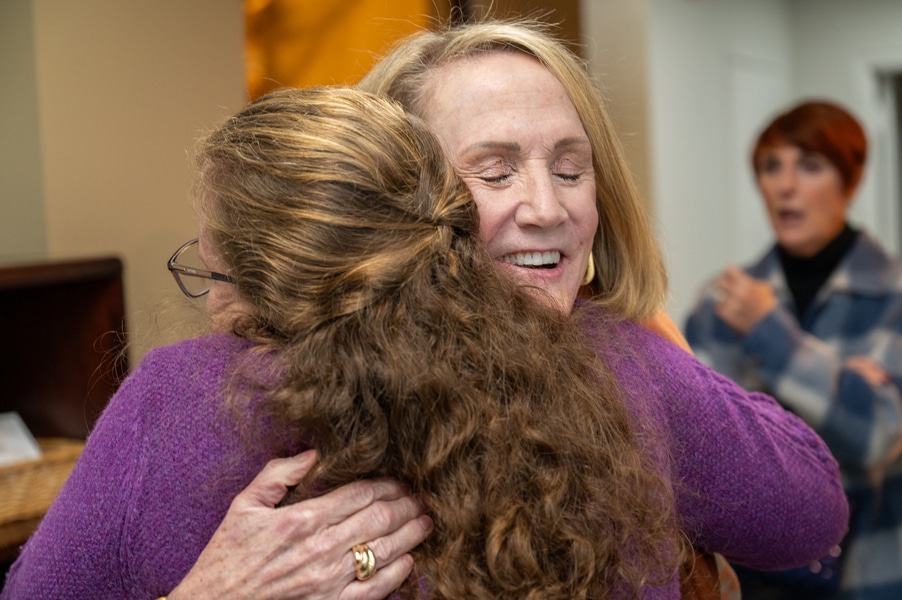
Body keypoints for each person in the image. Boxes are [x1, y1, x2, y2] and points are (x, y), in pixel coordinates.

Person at [3, 86, 691, 598]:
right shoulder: (619, 365)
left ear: (273, 285)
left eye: (213, 273)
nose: (543, 205)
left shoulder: (178, 398)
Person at [685, 100, 902, 599]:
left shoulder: (893, 296)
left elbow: (876, 437)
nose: (785, 186)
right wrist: (843, 386)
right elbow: (700, 448)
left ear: (850, 181)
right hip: (755, 580)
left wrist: (770, 337)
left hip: (873, 576)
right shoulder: (722, 303)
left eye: (809, 166)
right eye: (770, 166)